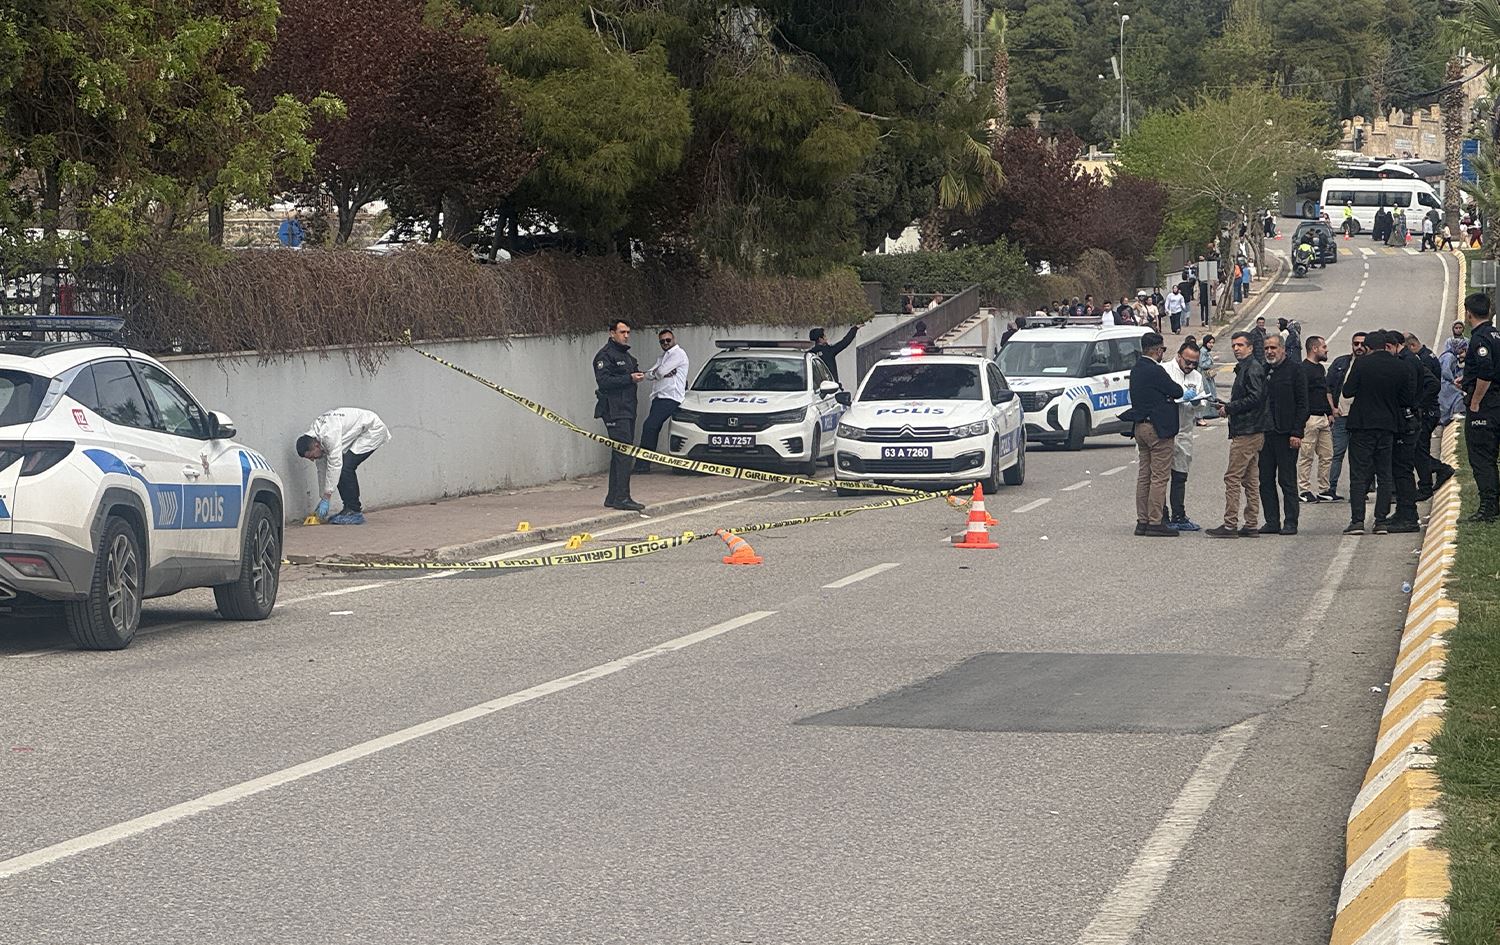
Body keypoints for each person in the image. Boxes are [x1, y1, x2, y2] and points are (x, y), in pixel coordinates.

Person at [1342, 330, 1417, 535]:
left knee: (1359, 474)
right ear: (1385, 346)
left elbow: (1348, 391)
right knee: (1384, 474)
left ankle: (1357, 521)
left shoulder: (1362, 364)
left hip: (1362, 425)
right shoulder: (1400, 366)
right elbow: (1407, 399)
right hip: (1388, 426)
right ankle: (1381, 521)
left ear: (1367, 348)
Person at [1206, 332, 1269, 538]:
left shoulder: (1252, 368)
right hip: (1251, 429)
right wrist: (1228, 406)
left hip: (1247, 431)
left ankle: (1230, 524)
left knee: (1232, 477)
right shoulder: (1246, 367)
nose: (1236, 349)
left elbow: (1255, 398)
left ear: (1250, 347)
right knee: (1250, 479)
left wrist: (1230, 408)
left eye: (1240, 345)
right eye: (1234, 345)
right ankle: (1251, 523)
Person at [1123, 332, 1184, 537]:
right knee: (1159, 476)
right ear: (1158, 350)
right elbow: (1176, 391)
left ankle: (1142, 520)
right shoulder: (1156, 370)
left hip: (1140, 426)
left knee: (1144, 476)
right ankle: (1156, 521)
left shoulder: (1136, 369)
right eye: (1163, 350)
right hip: (1157, 428)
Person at [295, 407, 391, 525]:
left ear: (316, 446)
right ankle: (348, 509)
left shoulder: (328, 435)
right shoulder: (315, 439)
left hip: (372, 430)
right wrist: (322, 498)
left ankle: (354, 511)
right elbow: (322, 470)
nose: (312, 460)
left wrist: (327, 498)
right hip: (359, 432)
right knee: (341, 468)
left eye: (311, 456)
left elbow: (335, 465)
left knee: (345, 467)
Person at [1257, 334, 1309, 535]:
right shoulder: (1263, 370)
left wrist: (1297, 432)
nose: (1270, 352)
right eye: (1267, 348)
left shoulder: (1295, 370)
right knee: (1265, 479)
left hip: (1286, 434)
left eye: (1273, 348)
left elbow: (1303, 403)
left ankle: (1291, 521)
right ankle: (1272, 521)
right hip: (1265, 434)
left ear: (1283, 349)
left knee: (1287, 480)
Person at [593, 318, 646, 511]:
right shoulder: (605, 355)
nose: (626, 336)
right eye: (622, 332)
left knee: (620, 454)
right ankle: (622, 497)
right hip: (615, 411)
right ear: (612, 333)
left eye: (628, 332)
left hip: (628, 409)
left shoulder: (627, 356)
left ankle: (613, 496)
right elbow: (604, 382)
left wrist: (637, 375)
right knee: (624, 454)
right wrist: (629, 378)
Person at [1463, 293, 1500, 521]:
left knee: (1482, 458)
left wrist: (1475, 400)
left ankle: (1488, 506)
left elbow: (1485, 371)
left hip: (1486, 407)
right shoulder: (1496, 335)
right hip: (1496, 401)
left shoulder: (1480, 338)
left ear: (1468, 313)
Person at [1162, 340, 1206, 530]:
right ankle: (1161, 515)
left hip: (1184, 430)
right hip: (1164, 431)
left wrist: (1197, 402)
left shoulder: (1196, 376)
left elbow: (1202, 404)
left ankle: (1179, 515)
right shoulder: (1165, 371)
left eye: (1194, 363)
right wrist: (1179, 397)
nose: (1190, 366)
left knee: (1180, 475)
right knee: (1160, 476)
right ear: (1179, 356)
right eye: (1187, 362)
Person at [1405, 332, 1454, 500]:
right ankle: (1434, 474)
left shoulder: (1422, 360)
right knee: (1419, 450)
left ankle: (1432, 478)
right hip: (1430, 410)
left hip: (1427, 411)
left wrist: (1418, 403)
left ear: (1412, 346)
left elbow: (1432, 384)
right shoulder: (1427, 355)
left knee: (1419, 450)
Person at [635, 328, 689, 474]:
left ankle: (642, 465)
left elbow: (659, 372)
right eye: (662, 341)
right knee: (652, 428)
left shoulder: (678, 354)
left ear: (674, 339)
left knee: (649, 426)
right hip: (659, 397)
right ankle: (644, 464)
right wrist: (659, 372)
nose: (665, 343)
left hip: (670, 398)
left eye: (668, 340)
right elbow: (650, 374)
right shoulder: (663, 357)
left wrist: (659, 372)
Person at [1322, 332, 1367, 501]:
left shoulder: (1370, 365)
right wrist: (1332, 409)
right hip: (1341, 417)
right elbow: (1327, 386)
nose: (1359, 347)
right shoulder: (1341, 363)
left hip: (1361, 419)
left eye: (1362, 344)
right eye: (1356, 344)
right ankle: (1330, 488)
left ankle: (1360, 490)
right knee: (1336, 453)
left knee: (1360, 457)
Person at [1298, 336, 1334, 503]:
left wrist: (1329, 412)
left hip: (1323, 417)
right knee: (1307, 456)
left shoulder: (1320, 368)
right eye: (1323, 347)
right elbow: (1301, 395)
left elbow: (1323, 392)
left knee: (1327, 455)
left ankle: (1324, 489)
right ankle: (1303, 490)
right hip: (1310, 418)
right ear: (1314, 349)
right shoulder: (1303, 369)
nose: (1326, 350)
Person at [1439, 337, 1468, 425]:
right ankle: (1456, 412)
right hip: (1445, 383)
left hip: (1445, 382)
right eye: (1461, 349)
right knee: (1459, 395)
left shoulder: (1450, 356)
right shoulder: (1449, 357)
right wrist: (1453, 381)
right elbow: (1445, 371)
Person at [1197, 334, 1219, 423]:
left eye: (1212, 343)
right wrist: (1212, 360)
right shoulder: (1203, 351)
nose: (1211, 345)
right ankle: (1206, 413)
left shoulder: (1206, 351)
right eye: (1209, 343)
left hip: (1207, 375)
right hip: (1203, 375)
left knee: (1210, 392)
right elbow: (1202, 364)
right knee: (1207, 392)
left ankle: (1211, 412)